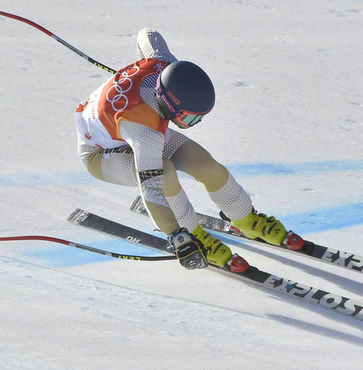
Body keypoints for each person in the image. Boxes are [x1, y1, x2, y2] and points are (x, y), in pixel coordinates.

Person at [75, 28, 297, 272]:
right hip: (100, 154)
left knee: (205, 164)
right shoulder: (144, 132)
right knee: (165, 172)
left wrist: (141, 67)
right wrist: (177, 236)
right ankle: (195, 235)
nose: (194, 125)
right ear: (169, 104)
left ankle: (245, 218)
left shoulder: (163, 62)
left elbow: (147, 33)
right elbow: (152, 190)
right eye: (190, 119)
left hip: (132, 121)